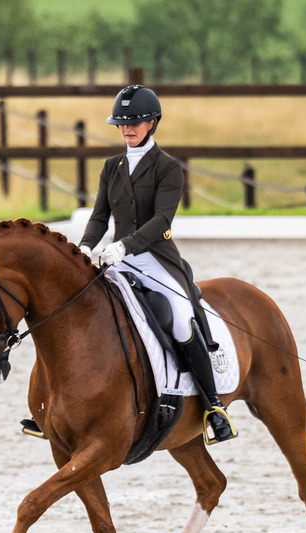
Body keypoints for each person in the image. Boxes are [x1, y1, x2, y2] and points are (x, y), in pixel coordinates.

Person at [79, 84, 236, 444]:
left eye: (134, 123)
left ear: (152, 123)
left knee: (181, 317)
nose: (126, 129)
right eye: (121, 124)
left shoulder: (168, 168)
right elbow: (99, 216)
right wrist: (85, 247)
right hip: (117, 259)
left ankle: (213, 406)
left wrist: (124, 247)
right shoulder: (111, 167)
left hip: (155, 260)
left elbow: (162, 220)